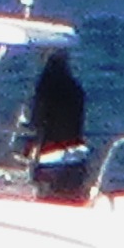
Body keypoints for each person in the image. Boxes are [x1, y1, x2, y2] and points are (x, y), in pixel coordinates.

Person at [22, 52, 91, 204]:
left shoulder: (46, 89)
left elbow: (37, 122)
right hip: (76, 154)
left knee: (49, 200)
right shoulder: (76, 89)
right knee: (71, 199)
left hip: (51, 156)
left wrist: (28, 148)